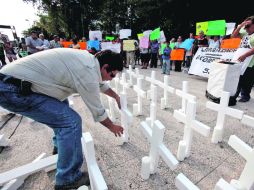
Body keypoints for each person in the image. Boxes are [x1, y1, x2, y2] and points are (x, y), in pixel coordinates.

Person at [0, 49, 124, 190]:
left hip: (12, 83)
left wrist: (116, 96)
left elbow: (101, 84)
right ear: (105, 67)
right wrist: (112, 126)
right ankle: (67, 178)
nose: (111, 79)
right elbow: (97, 110)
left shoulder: (89, 62)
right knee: (70, 122)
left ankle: (60, 149)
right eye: (112, 75)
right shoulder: (87, 72)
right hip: (12, 89)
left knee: (62, 105)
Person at [232, 16, 254, 103]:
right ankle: (235, 94)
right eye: (245, 26)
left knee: (247, 79)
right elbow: (233, 35)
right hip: (241, 60)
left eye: (248, 26)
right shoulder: (245, 33)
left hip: (251, 62)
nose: (246, 28)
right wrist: (240, 26)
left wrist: (245, 55)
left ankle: (245, 95)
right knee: (238, 77)